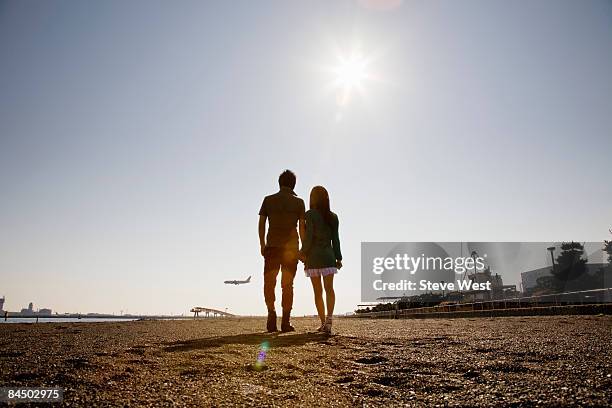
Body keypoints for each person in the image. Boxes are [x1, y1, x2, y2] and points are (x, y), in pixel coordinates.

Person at [258, 170, 305, 332]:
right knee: (288, 285)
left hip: (272, 247)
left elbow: (262, 223)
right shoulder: (299, 202)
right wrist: (303, 249)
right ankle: (285, 322)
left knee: (269, 283)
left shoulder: (268, 200)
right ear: (293, 184)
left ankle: (271, 315)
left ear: (279, 183)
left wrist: (262, 243)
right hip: (291, 250)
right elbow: (302, 228)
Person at [299, 186, 342, 335]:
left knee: (318, 292)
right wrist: (339, 257)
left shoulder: (309, 214)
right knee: (329, 289)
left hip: (314, 258)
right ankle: (329, 321)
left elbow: (309, 235)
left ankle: (323, 322)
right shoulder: (333, 217)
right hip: (329, 256)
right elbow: (336, 239)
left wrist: (302, 252)